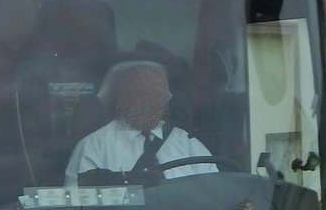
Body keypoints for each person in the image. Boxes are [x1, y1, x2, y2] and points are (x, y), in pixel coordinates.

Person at [64, 61, 217, 186]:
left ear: (165, 100)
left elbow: (214, 196)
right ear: (121, 98)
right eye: (140, 93)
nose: (149, 101)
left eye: (157, 94)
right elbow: (76, 207)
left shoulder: (190, 146)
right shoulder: (93, 147)